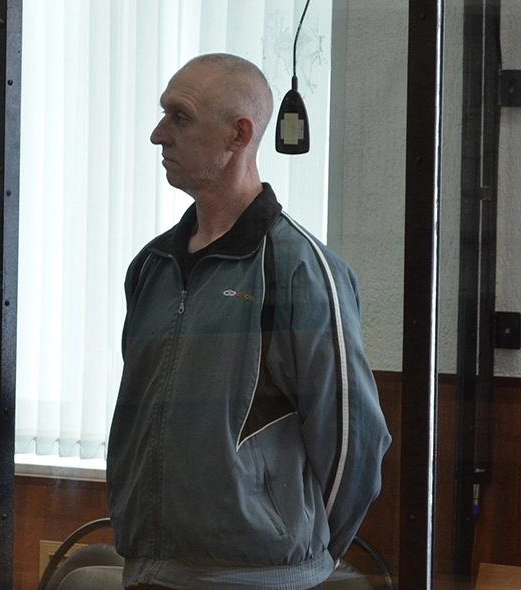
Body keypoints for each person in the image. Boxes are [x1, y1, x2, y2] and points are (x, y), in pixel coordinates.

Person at [105, 54, 391, 590]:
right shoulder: (151, 266)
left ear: (238, 134)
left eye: (179, 117)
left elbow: (353, 439)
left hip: (259, 576)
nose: (158, 134)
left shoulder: (300, 269)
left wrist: (305, 549)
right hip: (149, 569)